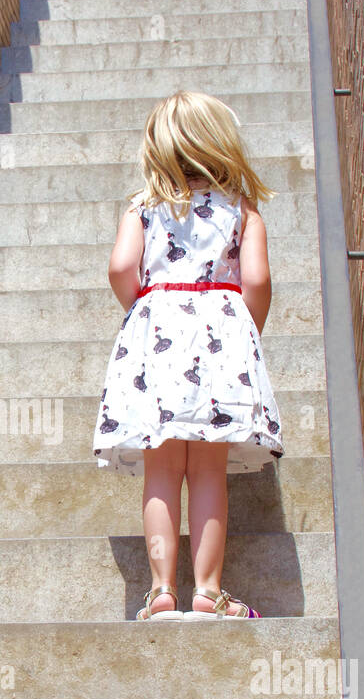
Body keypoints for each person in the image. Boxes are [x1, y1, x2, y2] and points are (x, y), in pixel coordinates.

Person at [92, 90, 284, 620]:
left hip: (157, 341)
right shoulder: (242, 211)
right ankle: (207, 588)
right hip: (219, 344)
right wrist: (244, 330)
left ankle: (159, 590)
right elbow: (258, 280)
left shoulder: (143, 208)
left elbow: (119, 268)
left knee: (161, 469)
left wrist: (147, 310)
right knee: (207, 472)